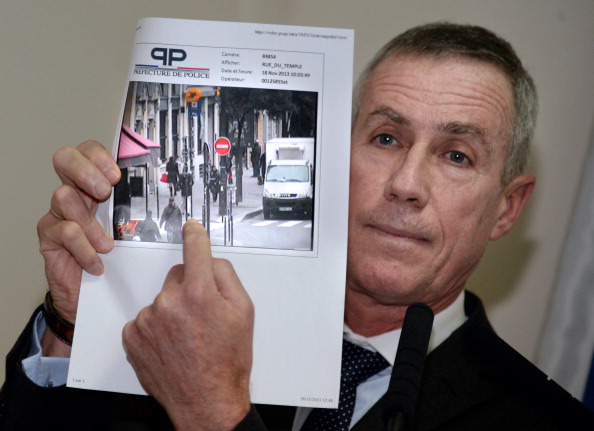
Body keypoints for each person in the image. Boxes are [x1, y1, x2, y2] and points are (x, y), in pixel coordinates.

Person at [2, 22, 594, 431]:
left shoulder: (544, 419)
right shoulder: (193, 327)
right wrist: (73, 325)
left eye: (456, 155)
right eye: (386, 139)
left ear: (508, 208)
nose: (407, 184)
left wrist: (214, 415)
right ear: (332, 157)